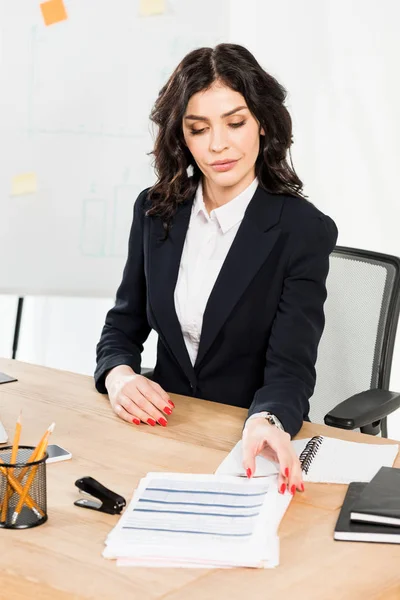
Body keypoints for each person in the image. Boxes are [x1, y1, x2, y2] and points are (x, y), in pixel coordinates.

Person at [94, 43, 338, 496]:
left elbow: (291, 369)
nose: (218, 144)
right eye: (198, 128)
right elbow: (123, 325)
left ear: (263, 124)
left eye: (235, 122)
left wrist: (267, 421)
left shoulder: (303, 231)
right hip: (162, 430)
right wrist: (120, 376)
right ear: (181, 137)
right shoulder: (155, 211)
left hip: (246, 443)